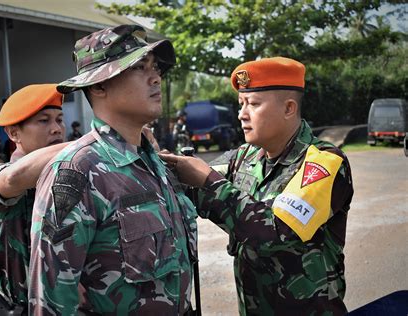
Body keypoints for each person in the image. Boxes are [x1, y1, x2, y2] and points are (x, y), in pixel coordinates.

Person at [159, 57, 354, 315]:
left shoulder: (323, 163)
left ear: (289, 108)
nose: (242, 114)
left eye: (253, 104)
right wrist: (151, 156)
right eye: (241, 104)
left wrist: (208, 180)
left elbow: (277, 233)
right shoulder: (244, 157)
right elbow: (190, 187)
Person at [29, 24, 198, 315]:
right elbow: (51, 302)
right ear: (98, 85)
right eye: (139, 67)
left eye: (155, 67)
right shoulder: (77, 172)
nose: (156, 77)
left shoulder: (155, 163)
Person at [0, 84, 68, 313]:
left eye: (60, 119)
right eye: (44, 120)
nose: (57, 128)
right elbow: (15, 178)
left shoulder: (63, 174)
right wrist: (95, 143)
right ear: (13, 132)